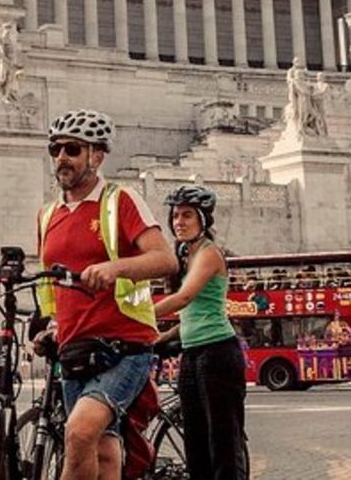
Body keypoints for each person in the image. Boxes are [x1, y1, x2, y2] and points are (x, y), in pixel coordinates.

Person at [34, 109, 177, 480]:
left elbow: (166, 260)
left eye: (72, 149)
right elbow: (51, 283)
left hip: (123, 346)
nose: (61, 157)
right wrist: (51, 325)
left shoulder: (120, 200)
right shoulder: (47, 215)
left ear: (96, 156)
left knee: (79, 432)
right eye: (55, 149)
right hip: (74, 347)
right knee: (104, 450)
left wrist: (115, 268)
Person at [153, 184, 247, 480]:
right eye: (175, 216)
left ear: (203, 220)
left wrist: (135, 317)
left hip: (218, 354)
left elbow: (183, 299)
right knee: (195, 447)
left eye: (187, 215)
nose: (178, 222)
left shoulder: (209, 254)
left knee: (222, 445)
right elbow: (192, 318)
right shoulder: (186, 255)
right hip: (192, 356)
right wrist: (159, 339)